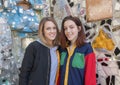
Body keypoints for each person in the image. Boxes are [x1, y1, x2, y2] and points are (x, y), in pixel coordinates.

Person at [19, 17, 60, 85]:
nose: (52, 31)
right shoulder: (33, 47)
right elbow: (24, 73)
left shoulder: (58, 48)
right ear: (42, 31)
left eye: (54, 28)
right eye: (48, 29)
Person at [59, 15, 96, 85]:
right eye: (65, 28)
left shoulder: (87, 49)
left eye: (71, 27)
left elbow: (90, 77)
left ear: (79, 28)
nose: (68, 31)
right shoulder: (62, 49)